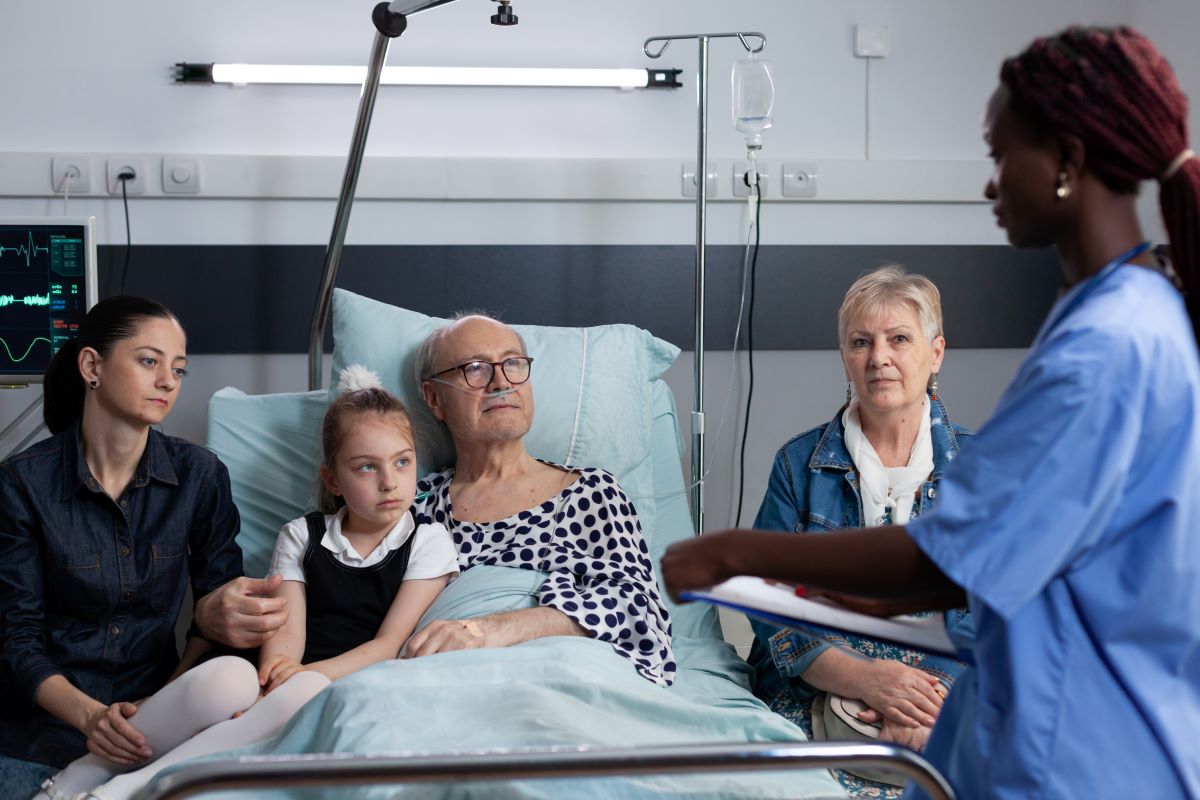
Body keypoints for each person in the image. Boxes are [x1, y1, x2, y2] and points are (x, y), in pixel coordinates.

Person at [661, 26, 1200, 799]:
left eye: (998, 153)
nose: (989, 186)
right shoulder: (1128, 316)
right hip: (1052, 725)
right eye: (860, 342)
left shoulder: (1104, 349)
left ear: (1068, 162)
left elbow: (948, 561)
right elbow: (985, 564)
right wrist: (853, 610)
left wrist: (730, 555)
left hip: (1076, 747)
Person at [36, 366, 458, 800]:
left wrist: (299, 680)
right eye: (366, 467)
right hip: (281, 673)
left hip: (340, 678)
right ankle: (86, 770)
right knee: (229, 676)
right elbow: (284, 634)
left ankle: (136, 785)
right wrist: (268, 684)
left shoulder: (427, 541)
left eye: (402, 462)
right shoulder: (302, 534)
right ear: (333, 478)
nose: (390, 481)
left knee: (306, 691)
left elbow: (388, 646)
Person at [0, 297, 287, 798]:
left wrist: (166, 701)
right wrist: (92, 718)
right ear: (92, 366)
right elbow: (16, 639)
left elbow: (212, 615)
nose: (168, 381)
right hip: (41, 733)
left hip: (156, 726)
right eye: (149, 361)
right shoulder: (22, 485)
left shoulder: (200, 477)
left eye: (178, 369)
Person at [749, 266, 972, 795]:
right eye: (861, 342)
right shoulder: (797, 464)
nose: (879, 358)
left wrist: (925, 698)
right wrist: (864, 679)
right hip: (823, 679)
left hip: (947, 680)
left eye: (899, 339)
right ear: (845, 357)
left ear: (935, 353)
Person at [406, 312, 676, 687]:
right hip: (443, 683)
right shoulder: (415, 508)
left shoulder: (591, 494)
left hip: (559, 680)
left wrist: (491, 632)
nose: (501, 382)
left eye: (513, 364)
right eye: (475, 368)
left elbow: (640, 615)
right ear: (435, 399)